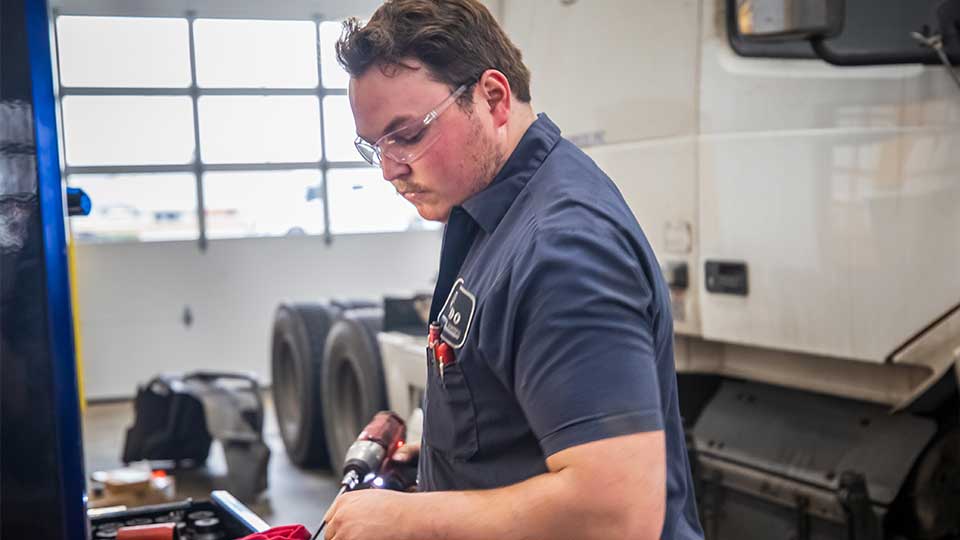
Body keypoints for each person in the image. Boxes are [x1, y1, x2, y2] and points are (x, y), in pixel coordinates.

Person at [322, 1, 704, 539]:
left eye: (405, 135)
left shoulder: (563, 250)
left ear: (493, 98)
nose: (389, 169)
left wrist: (412, 521)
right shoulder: (492, 211)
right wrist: (442, 469)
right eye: (374, 147)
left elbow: (616, 513)